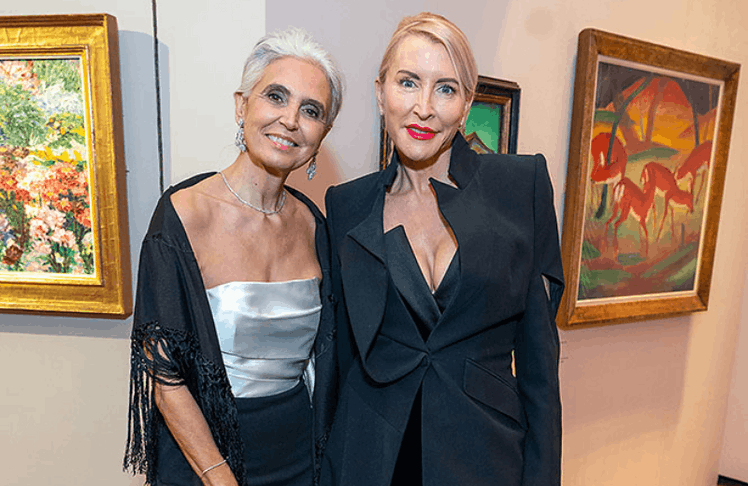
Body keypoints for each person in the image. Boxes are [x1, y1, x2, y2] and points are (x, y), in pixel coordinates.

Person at [321, 12, 564, 486]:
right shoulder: (347, 205)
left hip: (485, 458)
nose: (424, 107)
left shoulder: (520, 186)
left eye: (446, 89)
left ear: (467, 105)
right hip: (372, 456)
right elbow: (341, 358)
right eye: (408, 82)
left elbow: (540, 368)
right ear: (380, 93)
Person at [124, 28, 343, 486]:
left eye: (311, 111)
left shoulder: (315, 226)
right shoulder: (183, 216)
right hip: (203, 460)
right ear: (242, 106)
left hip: (300, 460)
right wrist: (218, 475)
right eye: (276, 96)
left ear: (322, 134)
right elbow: (163, 375)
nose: (290, 120)